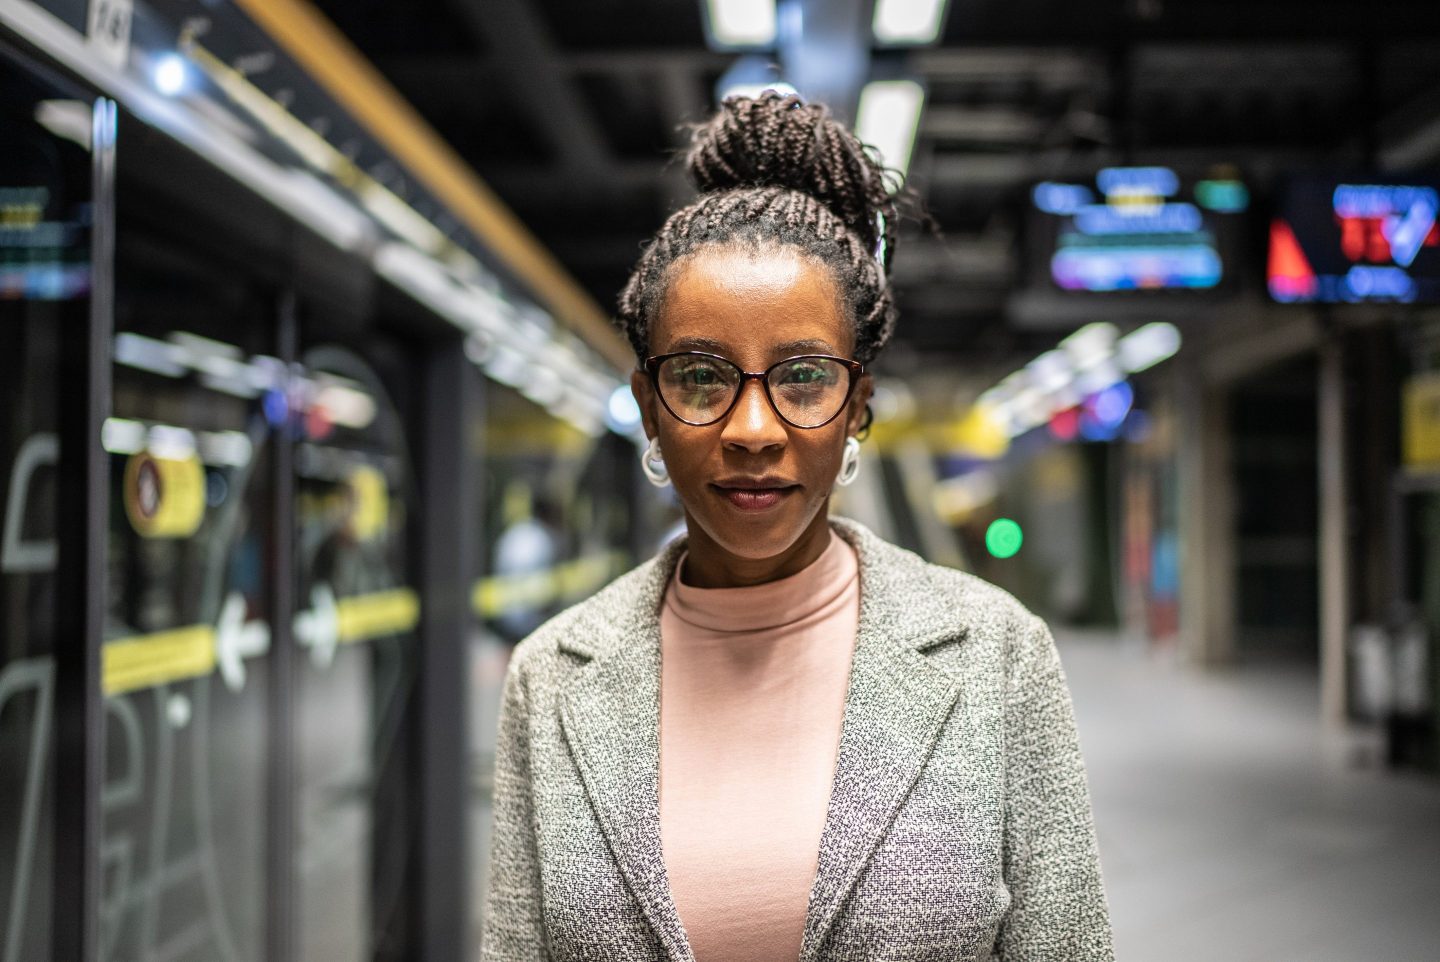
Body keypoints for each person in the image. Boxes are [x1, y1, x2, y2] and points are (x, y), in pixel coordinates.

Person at [481, 92, 1113, 962]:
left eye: (805, 378)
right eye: (702, 377)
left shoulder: (997, 656)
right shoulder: (552, 677)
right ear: (649, 408)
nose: (753, 430)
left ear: (858, 406)